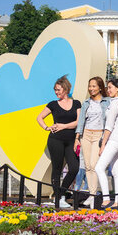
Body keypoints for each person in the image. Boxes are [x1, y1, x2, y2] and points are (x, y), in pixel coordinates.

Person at [37, 75, 81, 208]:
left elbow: (79, 122)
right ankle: (58, 198)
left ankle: (61, 194)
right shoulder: (53, 104)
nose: (56, 92)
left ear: (66, 89)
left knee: (74, 168)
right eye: (55, 90)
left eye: (58, 89)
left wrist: (63, 126)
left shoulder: (77, 103)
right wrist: (46, 127)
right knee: (57, 169)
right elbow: (39, 117)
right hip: (55, 140)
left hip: (71, 140)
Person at [74, 77, 110, 206]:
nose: (91, 89)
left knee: (94, 165)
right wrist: (77, 138)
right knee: (87, 166)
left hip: (98, 135)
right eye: (90, 86)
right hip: (86, 135)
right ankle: (92, 193)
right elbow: (81, 121)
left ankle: (94, 194)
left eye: (94, 86)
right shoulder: (86, 103)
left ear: (100, 87)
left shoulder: (107, 102)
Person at [95, 79, 118, 209]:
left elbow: (109, 126)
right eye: (107, 88)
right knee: (115, 171)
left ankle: (106, 199)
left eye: (110, 87)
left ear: (117, 88)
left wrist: (103, 144)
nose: (108, 90)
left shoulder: (115, 103)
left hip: (114, 139)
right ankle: (117, 201)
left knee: (99, 168)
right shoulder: (116, 102)